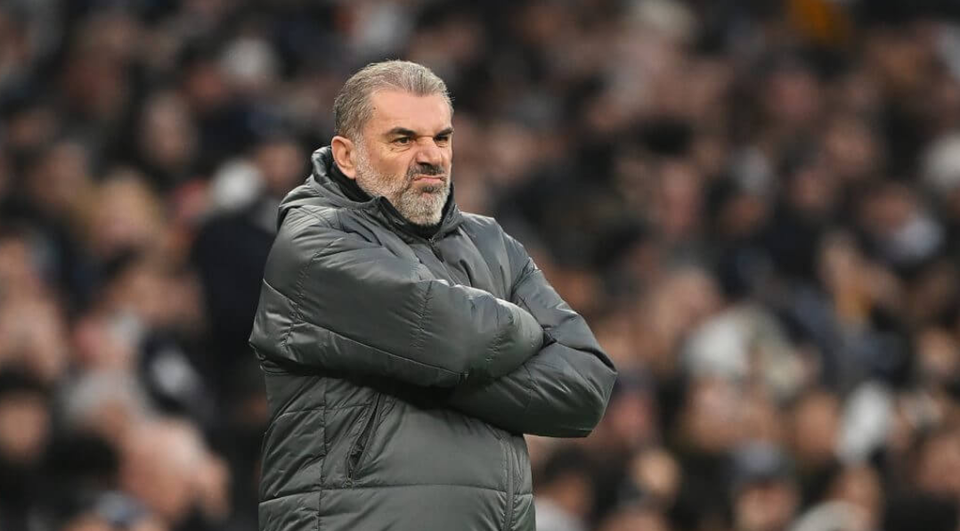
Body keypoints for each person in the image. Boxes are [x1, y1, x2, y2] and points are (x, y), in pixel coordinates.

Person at [249, 60, 617, 531]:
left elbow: (586, 388)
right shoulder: (313, 243)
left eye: (441, 138)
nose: (431, 156)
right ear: (346, 156)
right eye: (403, 140)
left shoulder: (492, 242)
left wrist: (426, 365)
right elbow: (456, 339)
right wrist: (523, 327)